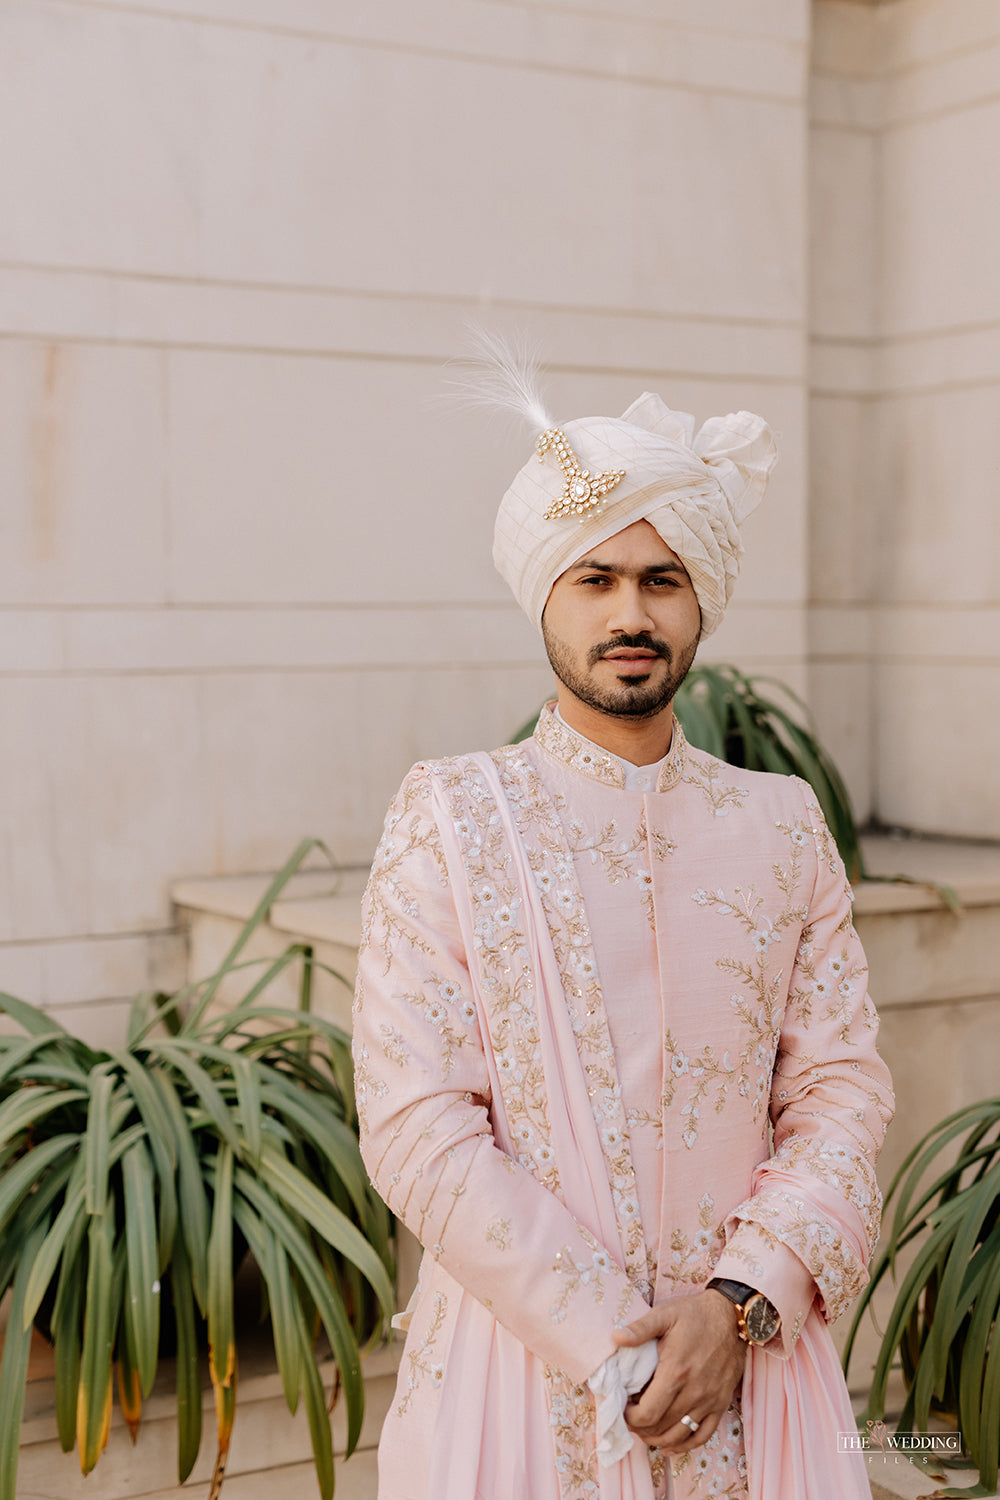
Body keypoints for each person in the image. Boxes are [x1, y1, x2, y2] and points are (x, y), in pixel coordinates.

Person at [352, 363, 894, 1500]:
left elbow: (840, 1094)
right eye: (594, 578)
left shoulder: (781, 824)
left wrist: (735, 1304)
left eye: (662, 580)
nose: (630, 614)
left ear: (700, 602)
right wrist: (622, 1341)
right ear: (545, 596)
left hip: (751, 1367)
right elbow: (414, 1120)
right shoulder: (453, 814)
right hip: (519, 1373)